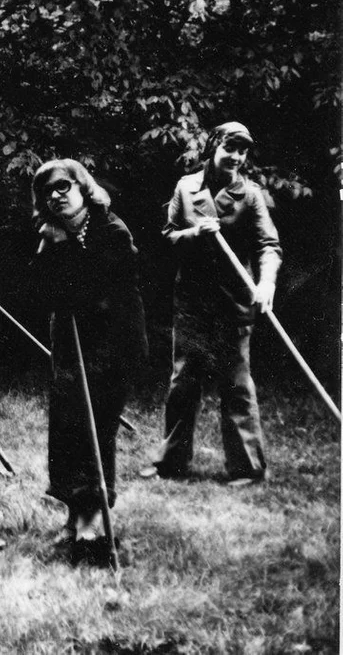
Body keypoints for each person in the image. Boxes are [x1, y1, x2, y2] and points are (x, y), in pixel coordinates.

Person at [143, 121, 281, 487]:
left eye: (242, 150)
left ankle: (248, 469)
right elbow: (167, 238)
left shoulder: (249, 195)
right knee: (183, 383)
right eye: (230, 148)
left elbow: (269, 245)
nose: (236, 156)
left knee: (235, 383)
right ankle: (170, 463)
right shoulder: (186, 188)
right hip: (191, 302)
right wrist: (194, 233)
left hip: (233, 303)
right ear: (213, 147)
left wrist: (266, 282)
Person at [30, 159, 147, 551]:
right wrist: (50, 250)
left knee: (96, 428)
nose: (55, 196)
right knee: (67, 426)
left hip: (112, 344)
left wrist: (64, 252)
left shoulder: (111, 230)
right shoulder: (53, 233)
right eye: (47, 191)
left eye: (63, 187)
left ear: (83, 187)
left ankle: (93, 519)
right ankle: (74, 512)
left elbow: (98, 295)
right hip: (70, 342)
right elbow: (44, 295)